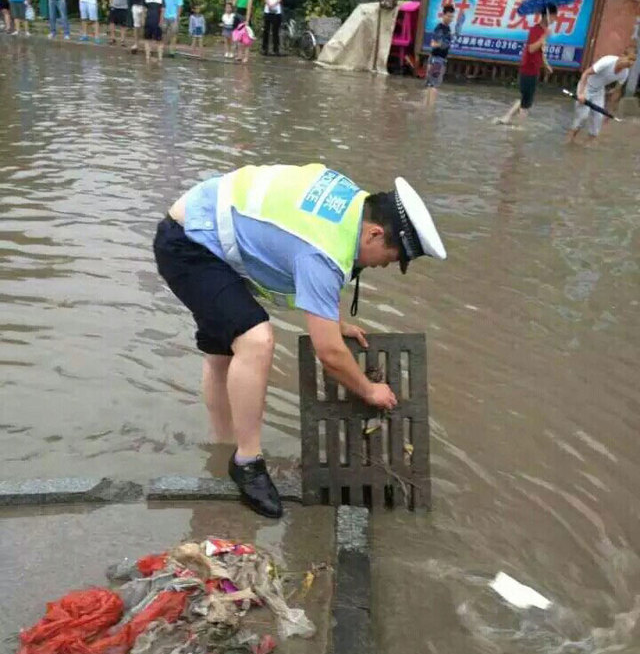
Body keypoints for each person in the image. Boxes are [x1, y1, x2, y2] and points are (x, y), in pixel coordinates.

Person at [153, 164, 446, 518]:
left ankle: (223, 449)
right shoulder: (322, 251)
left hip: (205, 223)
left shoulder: (350, 204)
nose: (386, 266)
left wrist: (334, 321)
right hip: (190, 244)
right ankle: (246, 461)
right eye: (391, 257)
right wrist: (369, 390)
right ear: (372, 235)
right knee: (256, 340)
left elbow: (308, 247)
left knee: (222, 354)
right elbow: (329, 353)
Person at [496, 4, 557, 125]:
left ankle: (506, 118)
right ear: (547, 16)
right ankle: (519, 128)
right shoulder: (536, 30)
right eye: (554, 16)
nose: (554, 20)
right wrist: (543, 37)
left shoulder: (543, 31)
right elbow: (531, 49)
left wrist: (546, 65)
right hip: (528, 68)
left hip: (534, 69)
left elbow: (541, 51)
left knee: (525, 98)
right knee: (526, 102)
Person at [568, 44, 637, 144]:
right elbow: (586, 73)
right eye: (629, 59)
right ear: (622, 55)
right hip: (586, 86)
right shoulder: (608, 61)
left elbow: (617, 91)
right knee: (582, 117)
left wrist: (609, 111)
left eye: (634, 61)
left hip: (599, 91)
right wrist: (581, 93)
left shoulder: (625, 73)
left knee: (598, 120)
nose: (631, 63)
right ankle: (569, 142)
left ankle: (585, 147)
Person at [425, 4, 455, 105]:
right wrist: (443, 44)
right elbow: (433, 44)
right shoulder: (440, 28)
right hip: (437, 60)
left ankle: (426, 107)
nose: (450, 19)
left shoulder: (448, 29)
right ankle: (430, 111)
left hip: (437, 59)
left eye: (452, 16)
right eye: (449, 16)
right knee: (433, 86)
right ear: (443, 15)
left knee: (430, 84)